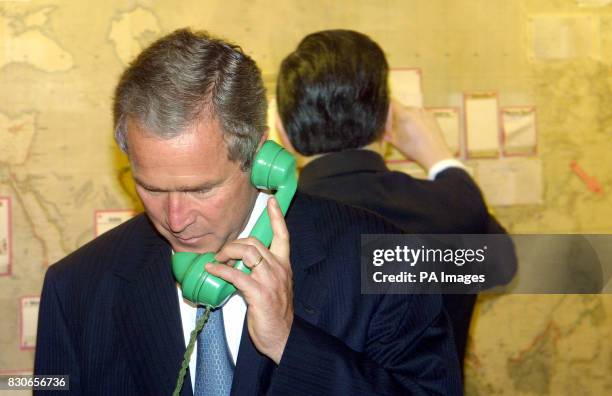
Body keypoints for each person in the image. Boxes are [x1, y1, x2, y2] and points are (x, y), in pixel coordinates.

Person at [34, 29, 462, 395]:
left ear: (261, 159)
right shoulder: (76, 287)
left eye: (201, 189)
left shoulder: (383, 259)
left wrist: (290, 342)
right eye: (151, 188)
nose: (176, 218)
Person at [276, 29, 516, 372]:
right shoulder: (445, 209)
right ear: (388, 120)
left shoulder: (270, 223)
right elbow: (502, 266)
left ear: (281, 130)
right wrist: (441, 159)